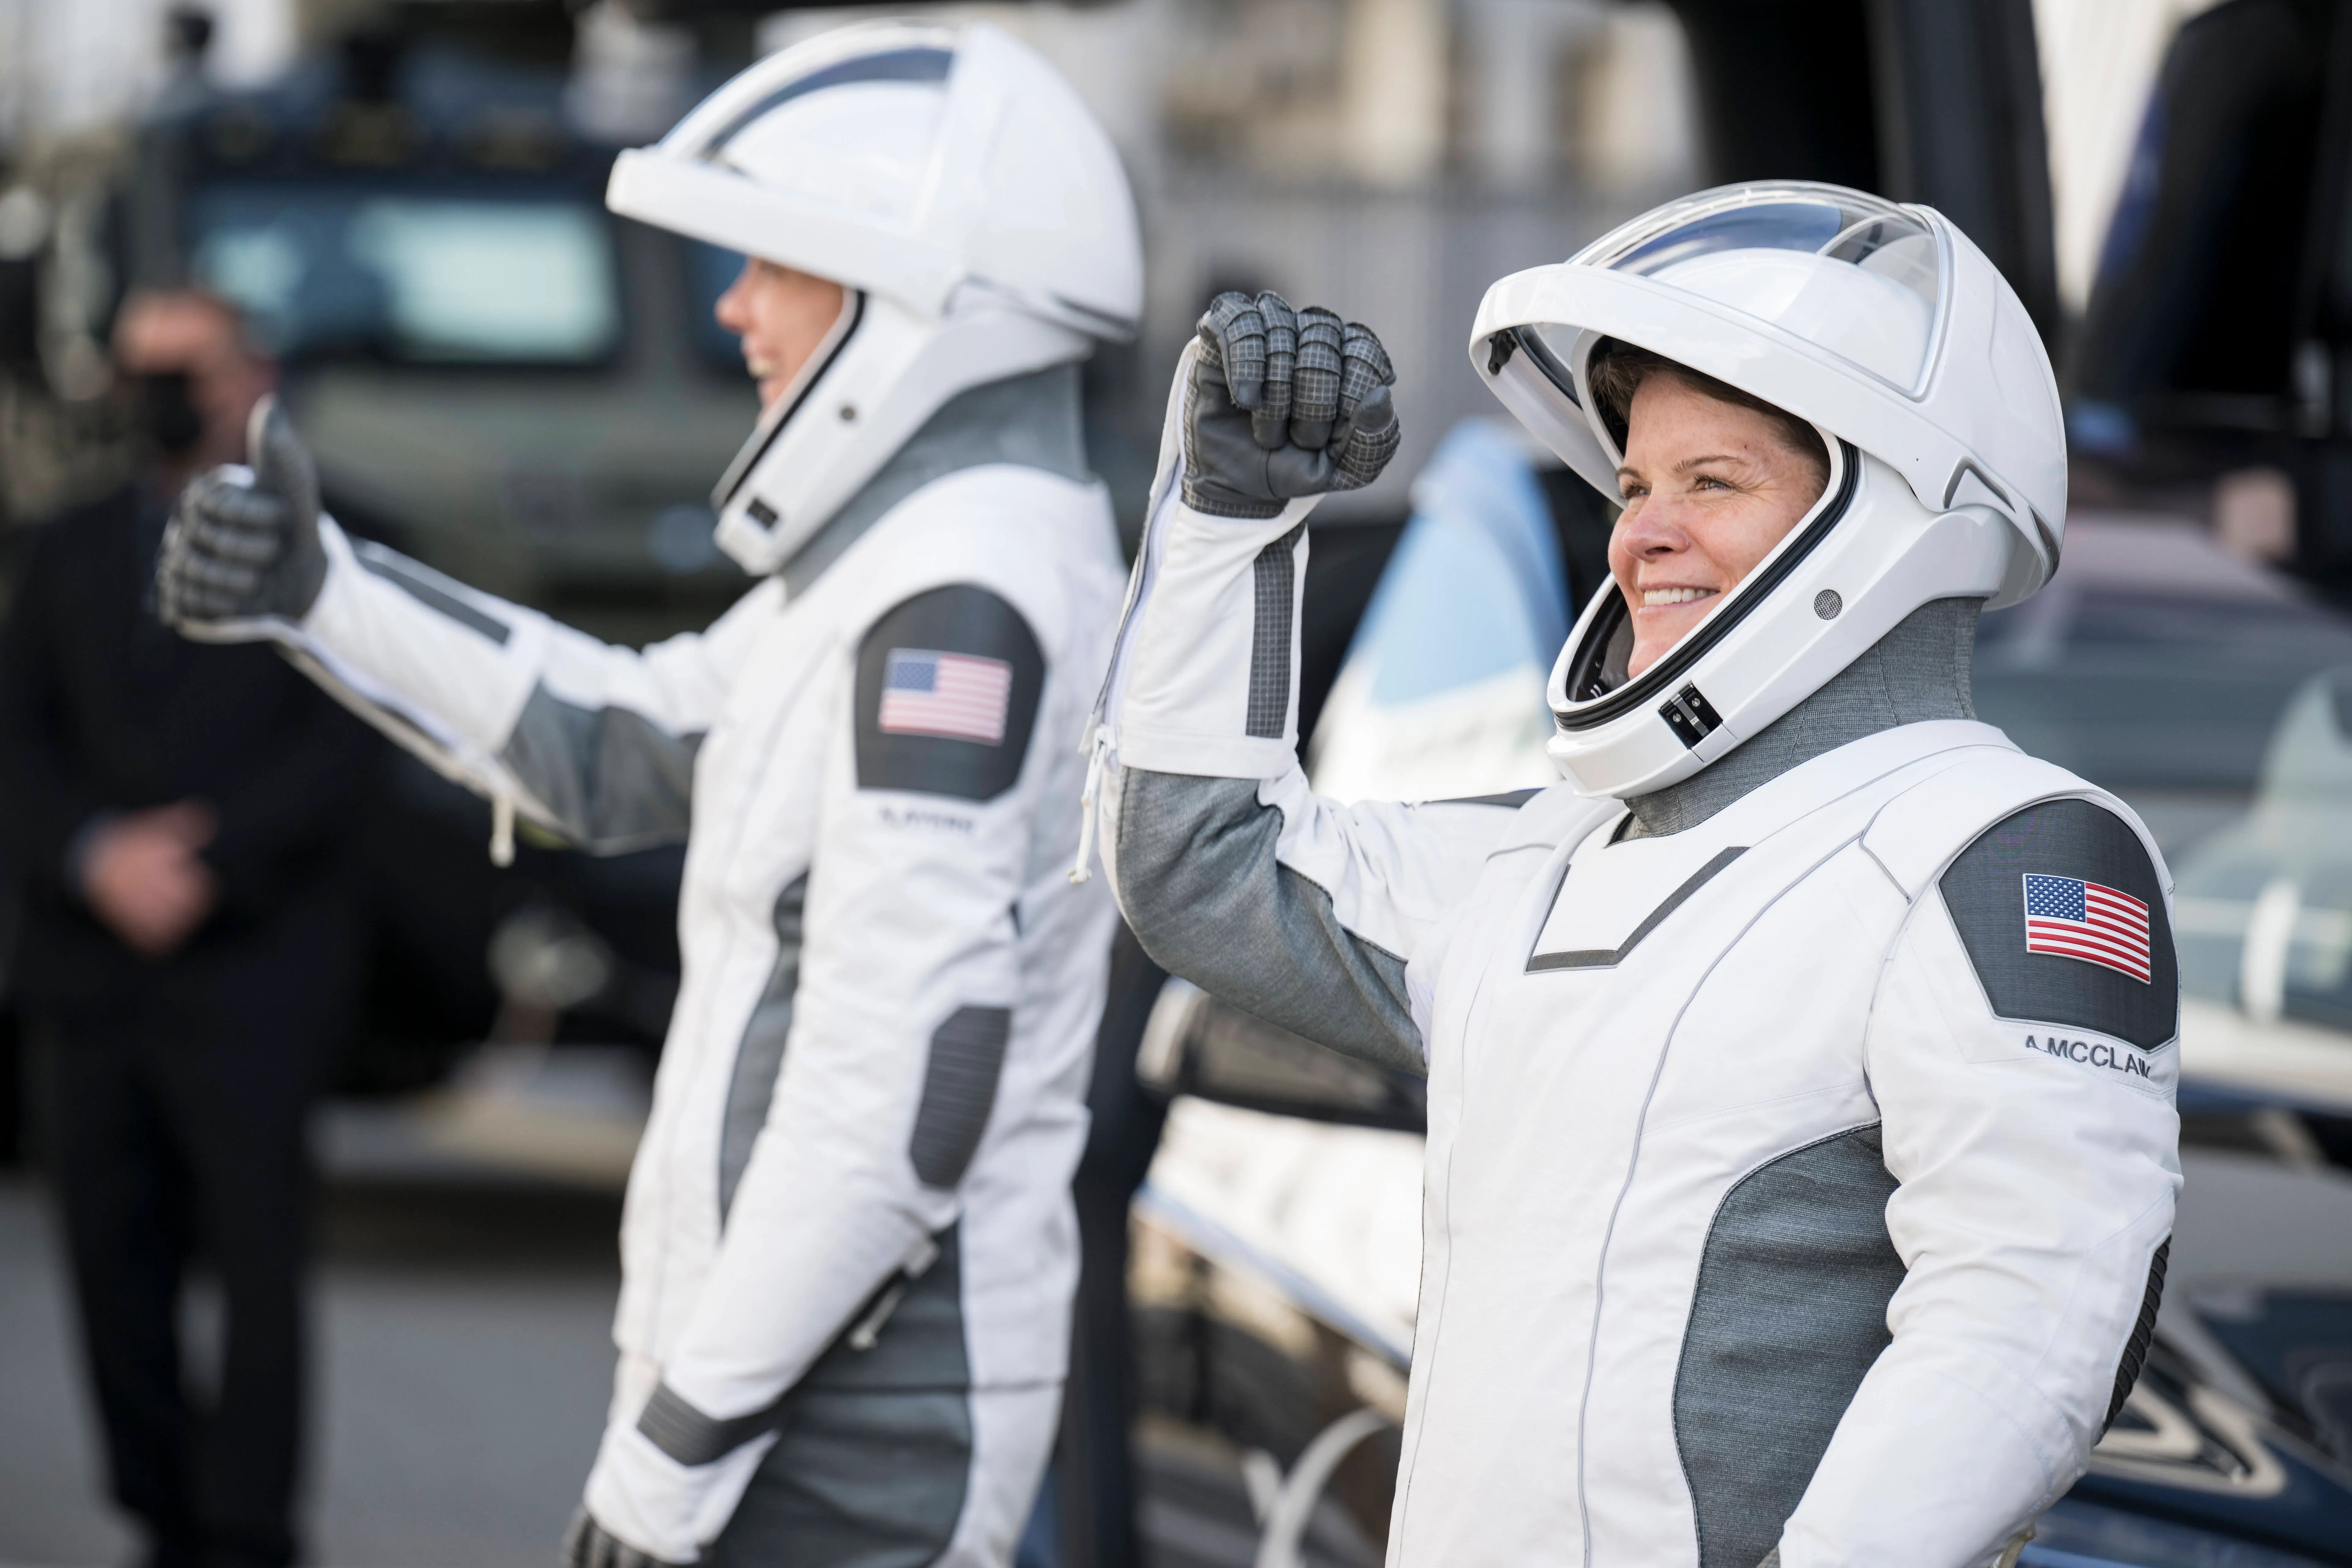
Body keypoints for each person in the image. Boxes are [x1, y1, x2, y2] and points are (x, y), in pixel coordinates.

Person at [155, 21, 1137, 1568]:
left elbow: (904, 1091)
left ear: (920, 295)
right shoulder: (909, 561)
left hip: (855, 1421)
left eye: (774, 265)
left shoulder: (959, 595)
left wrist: (671, 1458)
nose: (733, 306)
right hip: (797, 1390)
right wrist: (320, 587)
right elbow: (622, 734)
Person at [1086, 183, 2179, 1566]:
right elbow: (1193, 862)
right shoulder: (1549, 849)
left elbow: (2031, 1324)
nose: (1639, 535)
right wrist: (1229, 521)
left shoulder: (2006, 846)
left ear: (1900, 512)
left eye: (1711, 482)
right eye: (1632, 486)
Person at [0, 288, 373, 1568]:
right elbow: (17, 735)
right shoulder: (64, 545)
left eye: (188, 368)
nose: (161, 395)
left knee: (260, 1269)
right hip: (91, 971)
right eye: (140, 371)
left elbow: (351, 743)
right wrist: (94, 854)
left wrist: (208, 853)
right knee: (112, 1271)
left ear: (253, 373)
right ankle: (160, 1521)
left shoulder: (341, 546)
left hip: (254, 970)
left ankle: (249, 1533)